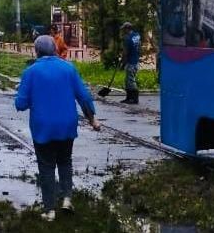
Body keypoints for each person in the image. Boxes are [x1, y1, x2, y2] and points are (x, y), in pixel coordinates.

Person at [15, 35, 101, 222]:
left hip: (43, 127)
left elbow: (20, 104)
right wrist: (92, 119)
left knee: (46, 167)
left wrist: (29, 97)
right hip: (66, 125)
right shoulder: (69, 68)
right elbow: (84, 96)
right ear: (55, 49)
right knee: (64, 161)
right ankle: (67, 198)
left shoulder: (30, 72)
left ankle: (49, 210)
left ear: (36, 51)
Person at [120, 22, 141, 104]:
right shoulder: (137, 36)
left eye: (124, 29)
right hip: (136, 60)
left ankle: (135, 99)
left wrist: (123, 63)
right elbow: (138, 48)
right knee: (128, 80)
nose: (123, 31)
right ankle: (128, 98)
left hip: (131, 62)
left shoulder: (128, 39)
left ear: (127, 29)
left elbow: (125, 53)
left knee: (131, 81)